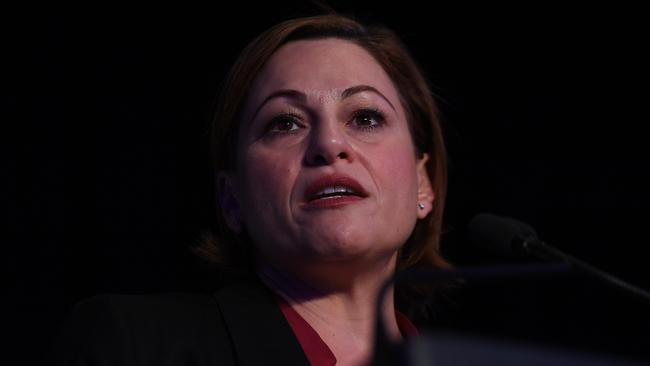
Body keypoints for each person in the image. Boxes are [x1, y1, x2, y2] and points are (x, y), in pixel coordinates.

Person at [49, 12, 450, 366]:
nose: (329, 145)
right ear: (231, 198)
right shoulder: (134, 345)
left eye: (365, 117)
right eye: (285, 123)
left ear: (423, 183)